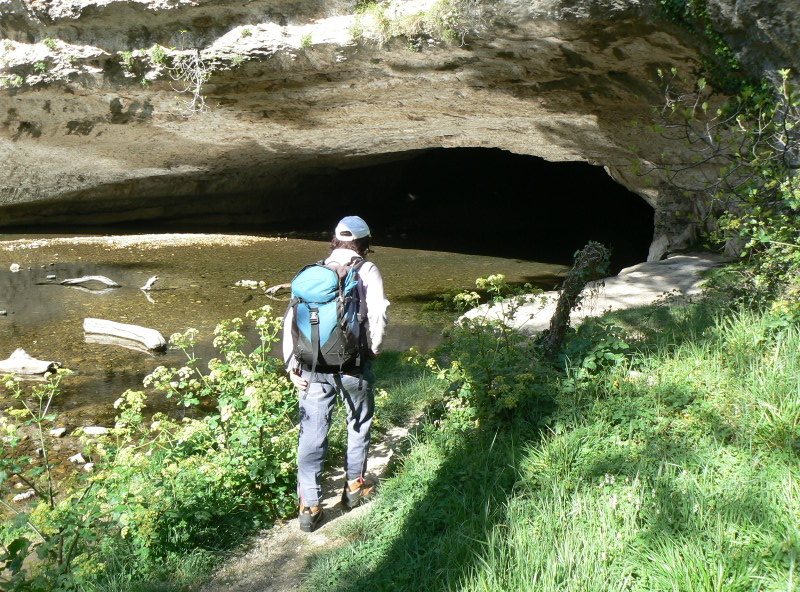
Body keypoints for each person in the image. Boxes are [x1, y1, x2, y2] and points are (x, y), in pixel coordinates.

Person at [283, 215, 389, 533]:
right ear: (363, 242)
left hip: (311, 367)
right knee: (358, 424)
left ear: (335, 240)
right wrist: (375, 348)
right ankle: (354, 489)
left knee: (312, 435)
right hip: (353, 365)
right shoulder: (366, 269)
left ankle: (310, 507)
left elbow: (291, 316)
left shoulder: (312, 272)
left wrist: (291, 365)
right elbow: (378, 312)